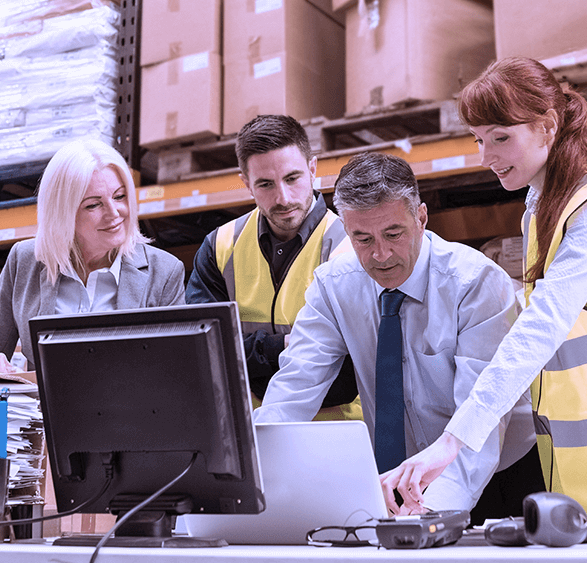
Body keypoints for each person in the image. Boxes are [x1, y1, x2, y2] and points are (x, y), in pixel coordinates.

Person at [381, 56, 587, 524]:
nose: (486, 156)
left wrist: (454, 441)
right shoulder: (545, 203)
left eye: (501, 137)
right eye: (479, 139)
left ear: (547, 126)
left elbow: (543, 326)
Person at [255, 152, 542, 517]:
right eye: (362, 238)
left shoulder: (475, 284)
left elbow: (481, 422)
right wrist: (245, 477)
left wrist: (431, 514)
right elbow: (292, 390)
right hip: (394, 479)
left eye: (393, 233)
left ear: (421, 217)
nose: (381, 254)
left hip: (496, 474)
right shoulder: (334, 286)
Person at [185, 114, 361, 420]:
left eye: (292, 178)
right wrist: (281, 346)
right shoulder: (220, 247)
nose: (283, 197)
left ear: (313, 169)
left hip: (337, 432)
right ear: (246, 183)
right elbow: (202, 350)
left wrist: (249, 354)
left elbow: (349, 365)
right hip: (252, 434)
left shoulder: (351, 244)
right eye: (265, 184)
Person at [0, 138, 185, 372]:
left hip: (127, 408)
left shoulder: (165, 272)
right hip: (39, 409)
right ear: (62, 214)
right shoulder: (24, 260)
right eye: (93, 205)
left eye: (119, 196)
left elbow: (172, 371)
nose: (114, 213)